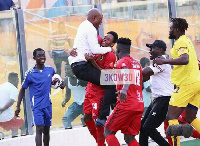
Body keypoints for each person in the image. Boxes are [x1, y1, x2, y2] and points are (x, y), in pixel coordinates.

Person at [154, 17, 200, 146]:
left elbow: (184, 59)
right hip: (195, 83)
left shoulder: (180, 42)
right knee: (191, 118)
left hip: (186, 84)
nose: (169, 30)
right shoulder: (187, 41)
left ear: (177, 29)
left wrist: (164, 61)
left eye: (171, 28)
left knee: (171, 117)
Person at [68, 8, 117, 126]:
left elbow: (92, 45)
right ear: (94, 18)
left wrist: (71, 51)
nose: (101, 23)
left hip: (79, 66)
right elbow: (95, 49)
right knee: (111, 83)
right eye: (100, 20)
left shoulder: (84, 26)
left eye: (108, 40)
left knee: (112, 82)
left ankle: (111, 110)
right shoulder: (90, 29)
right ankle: (105, 116)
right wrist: (111, 49)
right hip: (82, 67)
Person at [15, 48, 65, 146]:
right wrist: (18, 106)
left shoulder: (50, 70)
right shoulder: (30, 74)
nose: (42, 57)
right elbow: (22, 90)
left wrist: (62, 84)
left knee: (46, 130)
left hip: (48, 105)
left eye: (43, 55)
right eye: (39, 55)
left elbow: (58, 81)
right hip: (37, 106)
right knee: (39, 129)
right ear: (34, 58)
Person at [104, 37, 144, 146]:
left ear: (118, 50)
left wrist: (125, 89)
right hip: (138, 104)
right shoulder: (137, 64)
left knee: (108, 131)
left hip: (126, 104)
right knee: (129, 137)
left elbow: (126, 71)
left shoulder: (122, 62)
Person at [83, 31, 118, 146]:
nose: (104, 40)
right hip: (89, 89)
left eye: (108, 40)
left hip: (99, 93)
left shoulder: (111, 55)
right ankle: (100, 142)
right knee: (87, 116)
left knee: (98, 121)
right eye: (104, 38)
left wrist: (93, 62)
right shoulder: (98, 49)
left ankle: (101, 144)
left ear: (112, 44)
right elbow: (90, 33)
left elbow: (107, 77)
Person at [139, 40, 174, 146]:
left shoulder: (162, 62)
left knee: (148, 127)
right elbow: (144, 78)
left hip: (164, 99)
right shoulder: (158, 63)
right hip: (157, 100)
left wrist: (129, 72)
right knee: (143, 126)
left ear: (160, 50)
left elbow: (143, 73)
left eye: (152, 48)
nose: (150, 51)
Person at [62, 64, 87, 129]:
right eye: (65, 69)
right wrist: (65, 101)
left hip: (87, 103)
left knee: (85, 120)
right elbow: (68, 94)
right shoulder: (66, 79)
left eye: (68, 69)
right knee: (65, 120)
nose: (66, 71)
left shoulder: (81, 77)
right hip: (76, 104)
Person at [0, 72, 24, 138]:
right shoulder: (13, 89)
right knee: (24, 126)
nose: (18, 83)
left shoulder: (1, 86)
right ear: (13, 80)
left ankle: (14, 138)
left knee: (15, 126)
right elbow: (11, 102)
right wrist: (2, 110)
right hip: (7, 118)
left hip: (1, 119)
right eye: (17, 80)